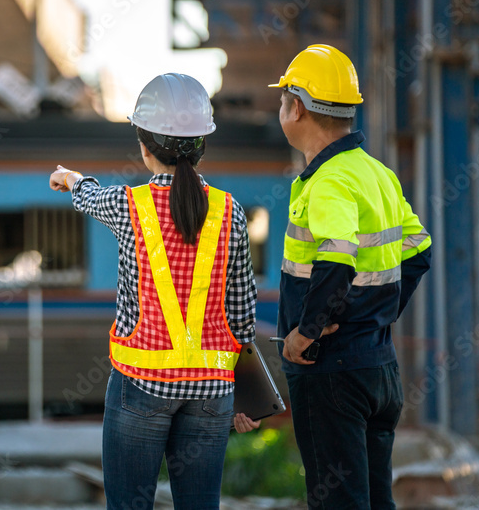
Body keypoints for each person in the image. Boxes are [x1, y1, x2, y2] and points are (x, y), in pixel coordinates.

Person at [49, 73, 260, 510]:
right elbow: (242, 316)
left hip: (140, 387)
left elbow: (88, 196)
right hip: (212, 392)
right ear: (203, 145)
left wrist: (69, 178)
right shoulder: (230, 211)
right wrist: (245, 393)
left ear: (145, 146)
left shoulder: (128, 205)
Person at [269, 45, 433, 508]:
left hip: (331, 370)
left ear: (296, 107)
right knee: (375, 500)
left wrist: (306, 332)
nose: (282, 108)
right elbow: (418, 252)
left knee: (337, 501)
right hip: (378, 367)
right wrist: (373, 315)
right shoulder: (376, 173)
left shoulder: (328, 181)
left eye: (283, 100)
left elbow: (336, 261)